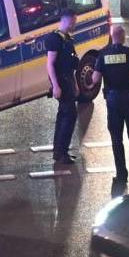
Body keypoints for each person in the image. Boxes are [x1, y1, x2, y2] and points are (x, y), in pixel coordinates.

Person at [86, 24, 129, 188]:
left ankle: (121, 176)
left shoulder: (103, 54)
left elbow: (95, 79)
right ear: (123, 37)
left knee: (117, 141)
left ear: (112, 36)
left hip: (113, 102)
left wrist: (87, 78)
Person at [44, 10, 81, 164]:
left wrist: (76, 85)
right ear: (68, 21)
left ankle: (58, 151)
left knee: (63, 116)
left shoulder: (67, 39)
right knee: (70, 115)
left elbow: (71, 66)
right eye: (74, 22)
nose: (75, 25)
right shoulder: (55, 39)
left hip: (68, 82)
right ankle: (62, 151)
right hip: (61, 82)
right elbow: (50, 64)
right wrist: (55, 86)